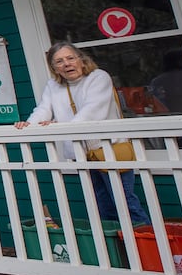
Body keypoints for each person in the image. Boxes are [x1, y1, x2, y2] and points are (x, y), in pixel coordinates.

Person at [15, 42, 151, 224]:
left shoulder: (98, 77)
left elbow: (92, 110)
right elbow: (43, 109)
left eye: (70, 58)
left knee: (126, 203)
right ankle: (119, 248)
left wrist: (59, 124)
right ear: (54, 67)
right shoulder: (53, 85)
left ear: (81, 59)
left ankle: (149, 246)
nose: (66, 64)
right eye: (59, 61)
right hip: (82, 154)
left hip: (109, 150)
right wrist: (29, 124)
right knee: (103, 205)